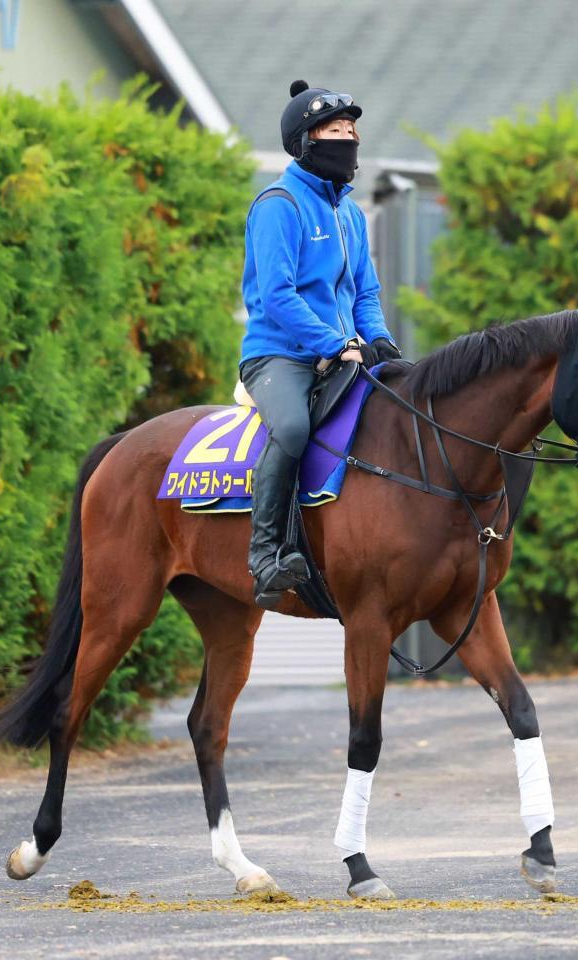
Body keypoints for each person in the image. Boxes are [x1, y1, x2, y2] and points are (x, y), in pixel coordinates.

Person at [239, 79, 401, 610]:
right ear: (307, 142)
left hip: (342, 351)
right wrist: (336, 343)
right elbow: (278, 296)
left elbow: (366, 293)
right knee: (291, 426)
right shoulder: (278, 205)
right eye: (336, 130)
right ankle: (265, 556)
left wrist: (378, 339)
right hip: (278, 356)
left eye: (352, 130)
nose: (349, 139)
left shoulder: (350, 215)